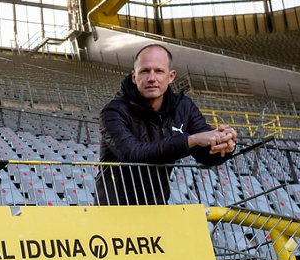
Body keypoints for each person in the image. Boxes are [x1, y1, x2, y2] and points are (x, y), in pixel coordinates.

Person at [95, 43, 236, 205]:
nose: (152, 78)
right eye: (145, 71)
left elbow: (206, 155)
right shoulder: (112, 112)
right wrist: (191, 140)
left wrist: (225, 143)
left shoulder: (184, 107)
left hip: (157, 207)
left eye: (159, 71)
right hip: (113, 210)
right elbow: (133, 155)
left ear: (171, 76)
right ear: (134, 77)